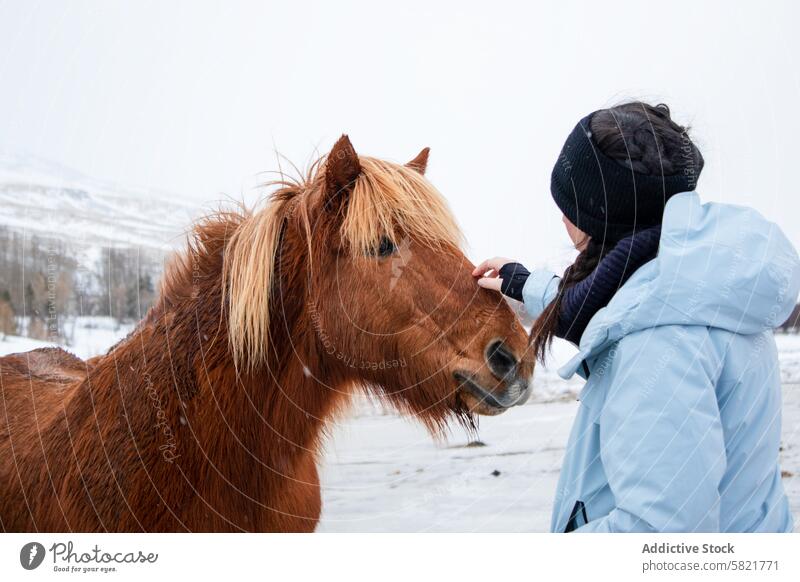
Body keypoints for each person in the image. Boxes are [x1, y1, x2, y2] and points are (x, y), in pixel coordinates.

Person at [474, 102, 800, 532]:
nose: (563, 219)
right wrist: (527, 284)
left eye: (570, 202)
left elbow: (659, 535)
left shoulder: (656, 344)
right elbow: (621, 302)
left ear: (599, 216)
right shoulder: (700, 284)